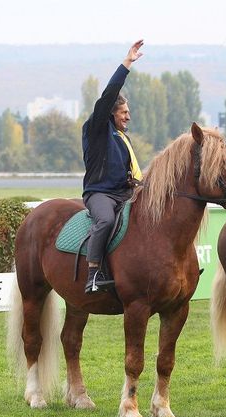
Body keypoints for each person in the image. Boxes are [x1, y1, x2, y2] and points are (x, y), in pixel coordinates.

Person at [81, 39, 144, 293]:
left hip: (124, 194)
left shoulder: (122, 137)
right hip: (100, 194)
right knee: (106, 220)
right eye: (123, 112)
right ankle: (93, 274)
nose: (128, 116)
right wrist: (126, 63)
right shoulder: (97, 128)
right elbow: (109, 95)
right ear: (110, 113)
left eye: (128, 112)